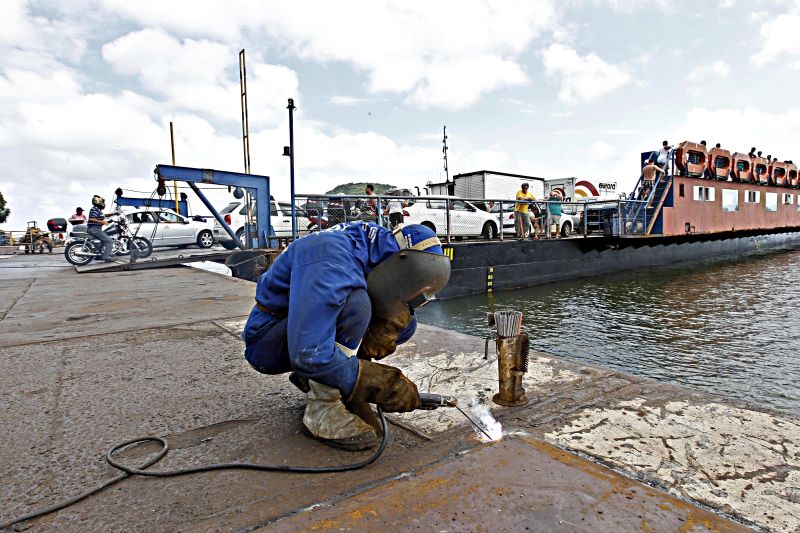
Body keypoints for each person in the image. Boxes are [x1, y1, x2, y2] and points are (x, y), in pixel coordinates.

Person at [242, 221, 451, 451]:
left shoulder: (371, 247)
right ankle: (322, 409)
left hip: (306, 329)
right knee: (358, 304)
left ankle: (335, 382)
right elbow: (307, 354)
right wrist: (377, 383)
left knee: (402, 324)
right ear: (401, 260)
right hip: (268, 341)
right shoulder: (330, 257)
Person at [87, 195, 115, 261]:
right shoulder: (94, 209)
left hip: (96, 229)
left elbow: (103, 215)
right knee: (109, 241)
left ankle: (101, 254)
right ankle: (106, 256)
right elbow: (92, 219)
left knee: (104, 239)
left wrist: (113, 213)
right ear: (98, 202)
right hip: (94, 229)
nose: (103, 203)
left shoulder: (98, 210)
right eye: (102, 202)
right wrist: (103, 222)